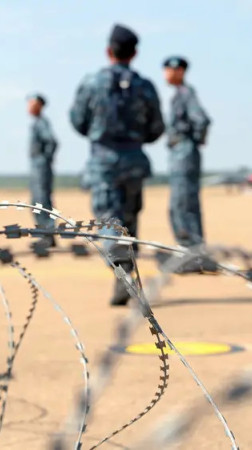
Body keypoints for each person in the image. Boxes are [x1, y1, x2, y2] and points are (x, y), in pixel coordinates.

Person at [69, 23, 165, 306]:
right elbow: (157, 127)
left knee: (110, 221)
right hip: (134, 160)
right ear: (133, 53)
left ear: (108, 51)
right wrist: (135, 138)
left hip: (104, 162)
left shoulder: (92, 83)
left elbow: (78, 120)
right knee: (130, 223)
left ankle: (122, 270)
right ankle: (125, 276)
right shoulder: (144, 86)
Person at [162, 55, 216, 272]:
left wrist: (193, 141)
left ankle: (191, 255)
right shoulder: (179, 95)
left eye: (170, 70)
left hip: (183, 151)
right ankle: (193, 254)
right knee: (183, 203)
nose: (166, 74)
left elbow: (202, 120)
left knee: (182, 204)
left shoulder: (186, 94)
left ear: (180, 71)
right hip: (181, 151)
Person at [26, 93, 59, 248]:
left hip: (41, 166)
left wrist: (45, 160)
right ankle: (45, 234)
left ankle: (48, 235)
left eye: (31, 103)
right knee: (36, 201)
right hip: (37, 166)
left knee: (42, 201)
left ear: (39, 105)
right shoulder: (38, 122)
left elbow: (52, 141)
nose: (28, 106)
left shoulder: (42, 123)